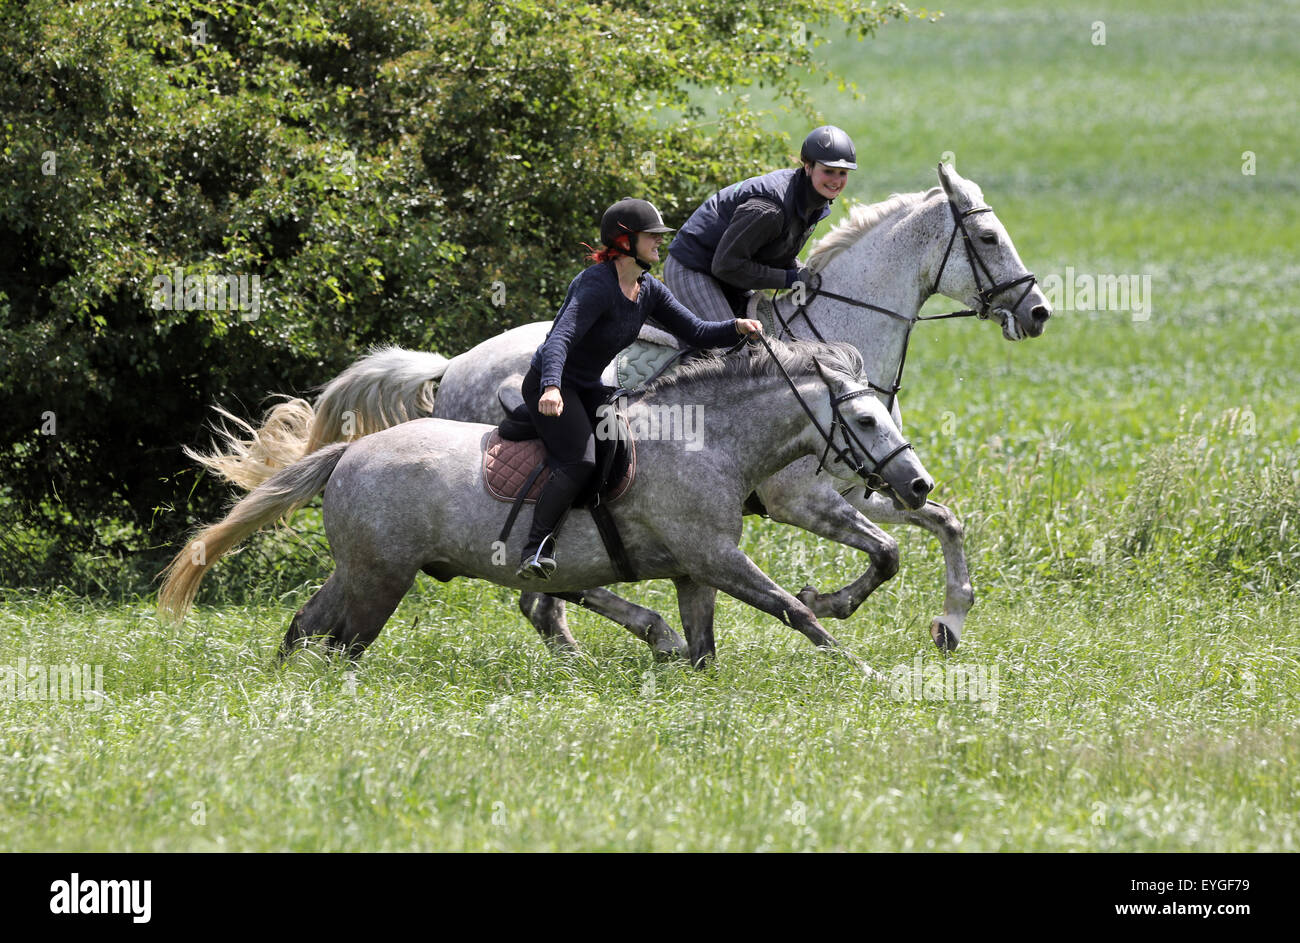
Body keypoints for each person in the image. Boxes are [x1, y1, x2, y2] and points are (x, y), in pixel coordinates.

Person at [517, 198, 763, 580]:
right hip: (553, 386)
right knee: (579, 461)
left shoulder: (648, 288)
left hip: (586, 387)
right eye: (652, 236)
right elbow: (558, 341)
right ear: (625, 241)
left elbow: (695, 331)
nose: (659, 243)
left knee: (629, 438)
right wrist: (550, 388)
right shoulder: (595, 285)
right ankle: (536, 547)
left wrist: (736, 326)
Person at [664, 125, 857, 323]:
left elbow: (778, 251)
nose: (836, 180)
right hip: (692, 268)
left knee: (767, 342)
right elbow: (726, 266)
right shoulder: (769, 209)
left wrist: (805, 275)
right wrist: (789, 279)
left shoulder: (814, 203)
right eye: (829, 171)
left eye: (843, 173)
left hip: (724, 274)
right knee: (732, 348)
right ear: (808, 167)